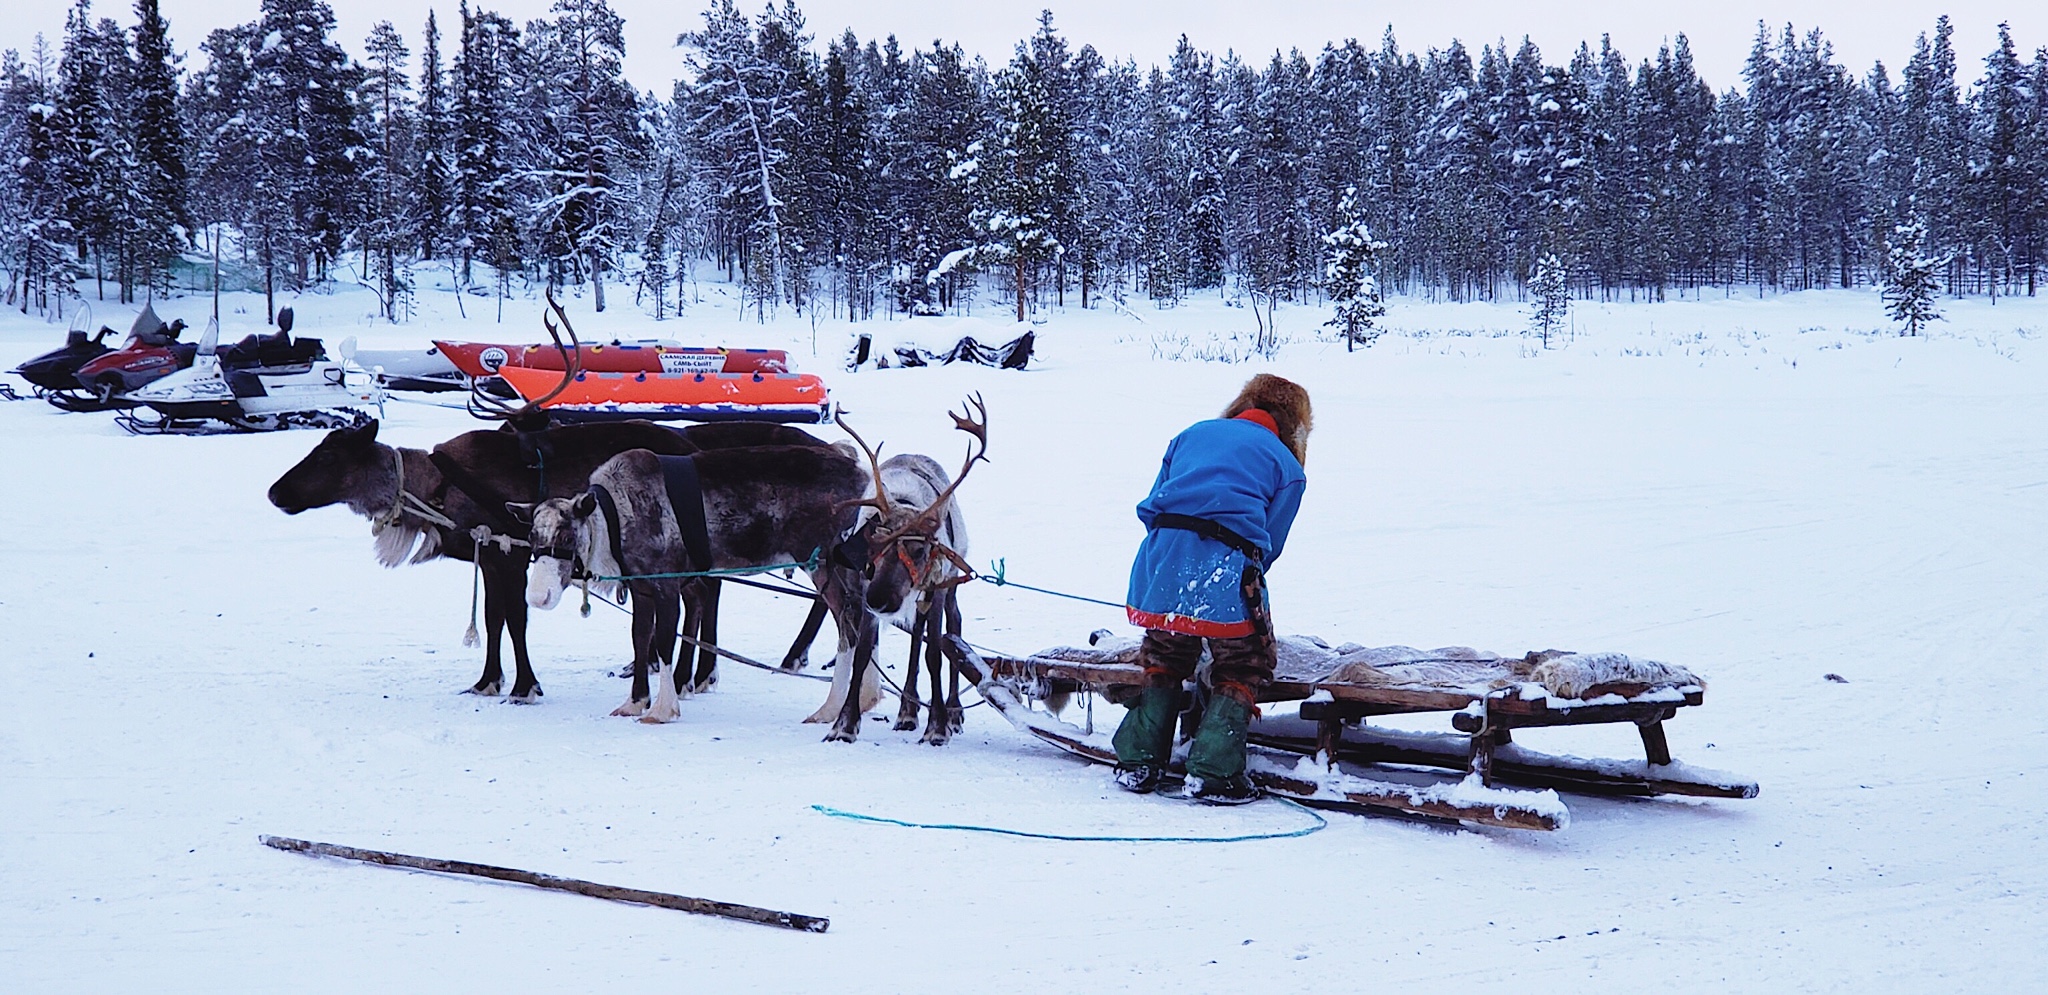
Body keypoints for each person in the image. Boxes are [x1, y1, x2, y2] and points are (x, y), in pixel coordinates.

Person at [1113, 374, 1310, 804]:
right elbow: (1269, 544)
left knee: (1165, 650)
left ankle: (1139, 759)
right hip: (1227, 567)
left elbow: (1154, 502)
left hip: (1160, 560)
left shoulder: (1190, 434)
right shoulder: (1288, 466)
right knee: (1245, 660)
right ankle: (1213, 771)